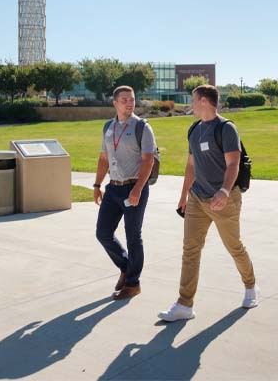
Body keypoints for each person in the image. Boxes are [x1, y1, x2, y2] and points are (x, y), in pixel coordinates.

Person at [159, 84, 258, 322]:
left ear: (204, 101)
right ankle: (184, 304)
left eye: (193, 100)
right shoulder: (194, 129)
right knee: (190, 250)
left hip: (224, 199)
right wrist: (183, 196)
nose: (190, 105)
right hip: (197, 199)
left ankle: (250, 286)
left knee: (234, 246)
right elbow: (191, 166)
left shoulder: (226, 128)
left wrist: (224, 191)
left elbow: (233, 164)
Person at [94, 85, 157, 300]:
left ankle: (133, 283)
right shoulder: (108, 127)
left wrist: (138, 189)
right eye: (124, 100)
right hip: (113, 188)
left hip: (134, 187)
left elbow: (148, 160)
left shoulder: (142, 127)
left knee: (133, 236)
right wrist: (96, 185)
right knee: (102, 233)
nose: (129, 103)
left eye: (132, 99)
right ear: (115, 103)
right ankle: (126, 267)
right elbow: (104, 158)